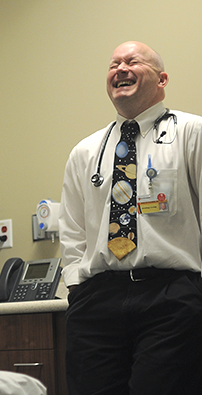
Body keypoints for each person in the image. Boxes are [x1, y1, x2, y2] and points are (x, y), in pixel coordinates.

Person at [59, 41, 202, 394]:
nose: (120, 68)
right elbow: (73, 230)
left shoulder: (191, 133)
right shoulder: (86, 151)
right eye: (114, 64)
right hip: (97, 301)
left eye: (132, 61)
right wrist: (78, 288)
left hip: (170, 296)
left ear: (162, 79)